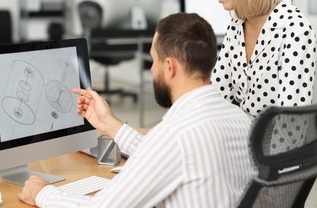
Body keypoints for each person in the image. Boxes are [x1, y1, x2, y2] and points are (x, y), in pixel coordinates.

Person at [18, 12, 256, 207]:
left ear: (170, 67)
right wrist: (108, 122)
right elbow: (163, 155)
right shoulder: (239, 119)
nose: (152, 70)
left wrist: (42, 193)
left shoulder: (175, 135)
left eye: (154, 60)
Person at [200, 0, 317, 121]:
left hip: (268, 145)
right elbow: (218, 94)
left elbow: (290, 125)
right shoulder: (237, 24)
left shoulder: (295, 30)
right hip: (236, 136)